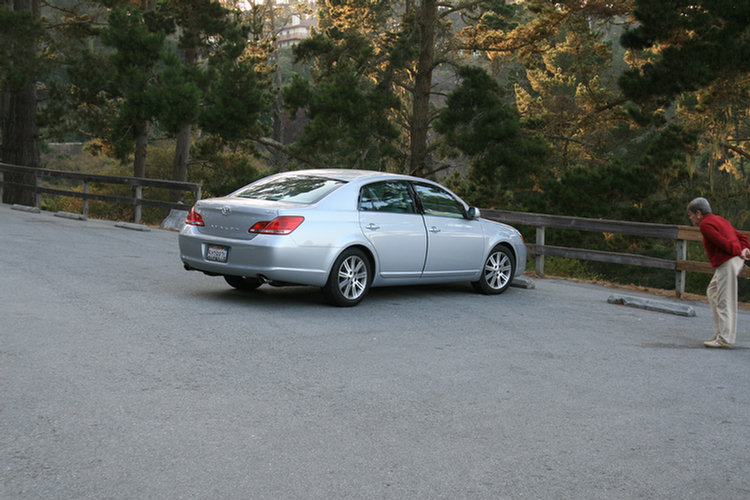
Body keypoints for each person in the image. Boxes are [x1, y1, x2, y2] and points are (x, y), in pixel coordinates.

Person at [687, 197, 750, 348]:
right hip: (731, 260)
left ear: (699, 213)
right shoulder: (719, 220)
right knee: (712, 292)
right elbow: (741, 236)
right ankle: (721, 332)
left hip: (727, 262)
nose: (690, 218)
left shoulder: (706, 224)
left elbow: (720, 242)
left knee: (724, 300)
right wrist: (744, 249)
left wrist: (739, 252)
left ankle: (724, 339)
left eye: (691, 215)